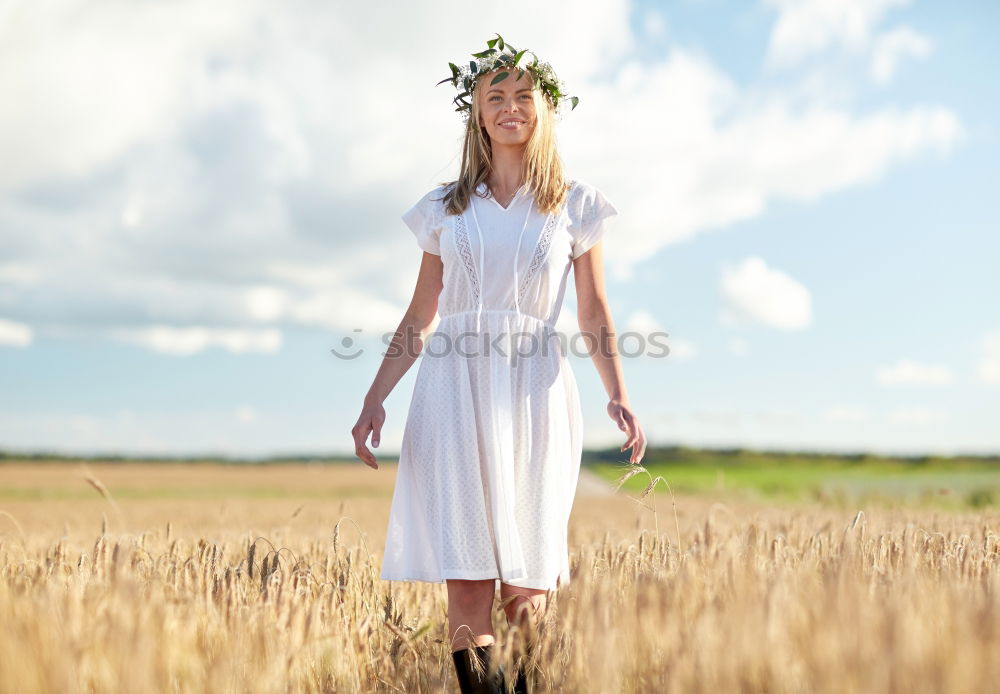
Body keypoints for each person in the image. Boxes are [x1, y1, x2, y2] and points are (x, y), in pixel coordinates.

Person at [352, 34, 646, 694]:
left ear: (544, 108)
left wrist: (618, 393)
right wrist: (376, 398)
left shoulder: (575, 203)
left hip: (536, 393)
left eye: (523, 95)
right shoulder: (444, 207)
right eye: (496, 96)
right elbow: (420, 314)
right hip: (452, 393)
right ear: (476, 113)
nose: (510, 107)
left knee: (526, 585)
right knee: (468, 582)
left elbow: (594, 312)